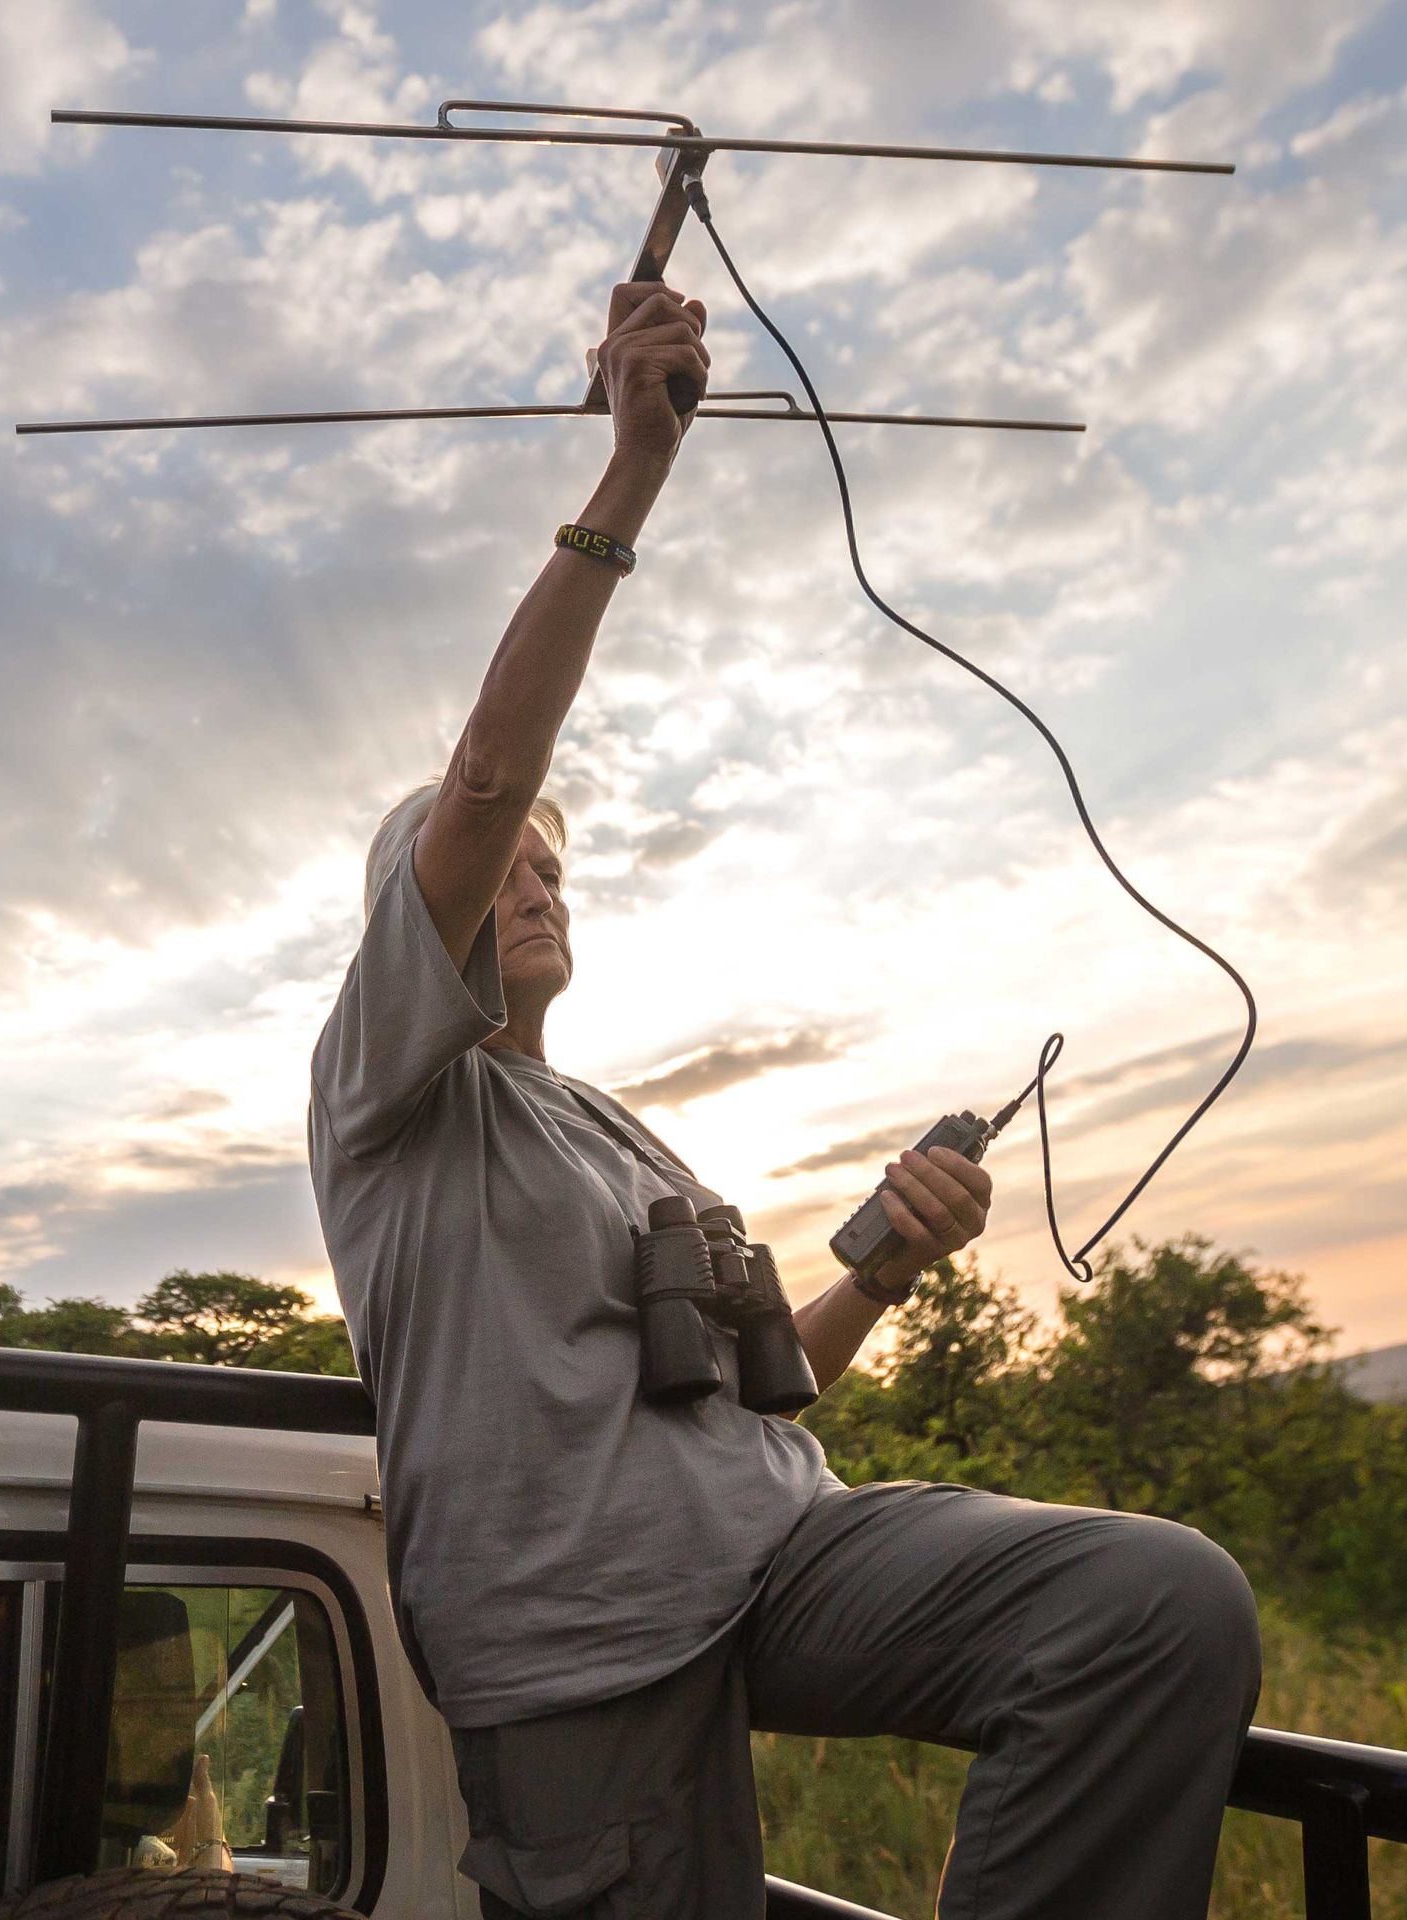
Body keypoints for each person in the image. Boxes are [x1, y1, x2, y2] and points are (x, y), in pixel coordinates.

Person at [307, 281, 1263, 1920]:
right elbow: (485, 776)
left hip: (779, 1556)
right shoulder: (390, 1097)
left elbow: (763, 1393)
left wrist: (886, 1265)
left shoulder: (615, 1127)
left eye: (552, 869)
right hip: (577, 1648)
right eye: (494, 866)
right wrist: (633, 471)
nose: (529, 880)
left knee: (1151, 1606)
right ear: (417, 916)